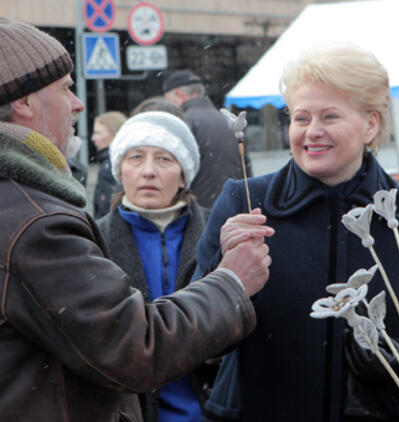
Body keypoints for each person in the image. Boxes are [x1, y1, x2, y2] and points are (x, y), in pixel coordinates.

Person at [0, 17, 272, 421]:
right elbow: (135, 345)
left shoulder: (23, 206)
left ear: (185, 172)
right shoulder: (34, 222)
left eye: (164, 159)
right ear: (23, 102)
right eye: (67, 89)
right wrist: (231, 281)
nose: (78, 104)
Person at [195, 43, 399, 422]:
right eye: (301, 117)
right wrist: (223, 272)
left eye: (330, 116)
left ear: (370, 124)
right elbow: (195, 339)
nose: (312, 132)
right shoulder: (244, 201)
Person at [97, 111, 214, 422]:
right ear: (120, 171)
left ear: (184, 175)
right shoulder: (93, 240)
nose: (148, 172)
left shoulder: (218, 234)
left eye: (164, 159)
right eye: (135, 157)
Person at [162, 70, 252, 208]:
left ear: (179, 95)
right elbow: (247, 173)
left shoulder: (183, 124)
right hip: (235, 210)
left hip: (200, 216)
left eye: (168, 99)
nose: (167, 106)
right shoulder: (229, 122)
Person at [91, 110, 127, 218]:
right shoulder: (113, 161)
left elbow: (105, 208)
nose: (93, 138)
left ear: (114, 133)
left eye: (98, 133)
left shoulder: (110, 166)